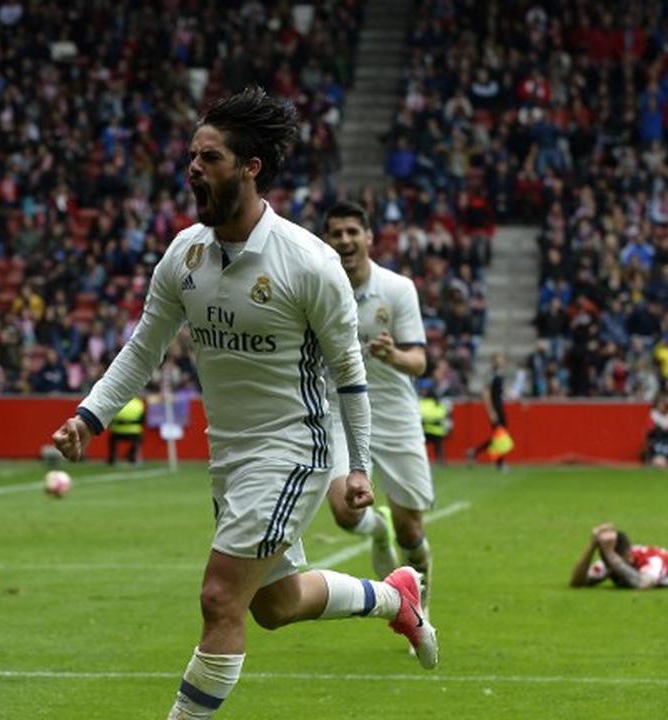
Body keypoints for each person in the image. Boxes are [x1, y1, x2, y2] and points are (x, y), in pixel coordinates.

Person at [49, 87, 437, 720]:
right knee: (274, 605)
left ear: (250, 167)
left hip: (295, 446)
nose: (193, 169)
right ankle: (396, 598)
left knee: (219, 599)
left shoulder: (308, 262)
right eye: (193, 156)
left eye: (210, 158)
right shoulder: (185, 253)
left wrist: (359, 465)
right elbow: (143, 347)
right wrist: (90, 415)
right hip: (229, 451)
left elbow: (349, 373)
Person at [321, 201, 437, 612]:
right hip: (338, 411)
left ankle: (419, 609)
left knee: (412, 529)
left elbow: (419, 362)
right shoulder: (315, 288)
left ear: (369, 237)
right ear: (327, 242)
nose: (345, 240)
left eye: (353, 231)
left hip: (393, 410)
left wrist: (393, 356)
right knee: (344, 512)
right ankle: (376, 529)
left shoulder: (397, 289)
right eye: (337, 233)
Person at [468, 352, 512, 469]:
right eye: (499, 358)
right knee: (500, 435)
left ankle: (474, 452)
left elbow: (501, 391)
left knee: (500, 436)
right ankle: (500, 462)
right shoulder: (491, 374)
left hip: (500, 406)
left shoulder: (500, 373)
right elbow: (486, 393)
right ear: (494, 360)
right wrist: (491, 411)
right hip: (495, 407)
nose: (501, 361)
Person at [108, 396, 145, 465]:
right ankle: (132, 456)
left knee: (112, 439)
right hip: (134, 431)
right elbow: (142, 419)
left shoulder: (117, 402)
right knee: (139, 440)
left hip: (117, 431)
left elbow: (110, 417)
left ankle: (112, 458)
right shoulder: (138, 403)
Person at [420, 390, 452, 465]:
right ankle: (441, 461)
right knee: (439, 447)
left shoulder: (421, 403)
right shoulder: (438, 404)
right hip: (437, 432)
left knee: (421, 447)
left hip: (425, 430)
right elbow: (443, 415)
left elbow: (419, 415)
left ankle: (421, 461)